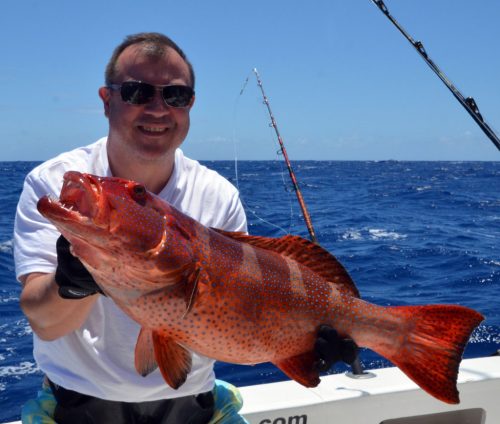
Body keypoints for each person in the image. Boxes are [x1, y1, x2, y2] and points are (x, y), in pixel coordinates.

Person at [14, 33, 357, 424]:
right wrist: (72, 283)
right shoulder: (54, 182)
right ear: (107, 101)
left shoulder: (218, 195)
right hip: (77, 408)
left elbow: (238, 326)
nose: (158, 109)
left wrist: (306, 343)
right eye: (138, 92)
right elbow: (44, 321)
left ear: (190, 104)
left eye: (175, 96)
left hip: (193, 406)